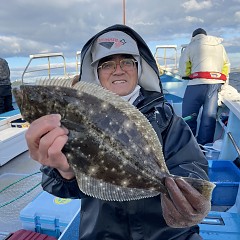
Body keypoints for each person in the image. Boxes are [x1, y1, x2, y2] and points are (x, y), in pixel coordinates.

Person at [26, 24, 211, 240]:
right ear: (95, 73)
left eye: (127, 62)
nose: (118, 69)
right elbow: (60, 188)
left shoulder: (167, 119)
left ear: (139, 68)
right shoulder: (74, 118)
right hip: (102, 233)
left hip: (168, 235)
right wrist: (64, 172)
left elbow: (191, 166)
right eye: (107, 64)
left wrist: (186, 196)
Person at [178, 28, 230, 145]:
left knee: (189, 116)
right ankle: (204, 147)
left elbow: (183, 67)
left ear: (193, 37)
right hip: (214, 85)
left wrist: (186, 75)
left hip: (196, 85)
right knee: (208, 118)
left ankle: (188, 145)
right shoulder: (220, 46)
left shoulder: (191, 45)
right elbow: (226, 65)